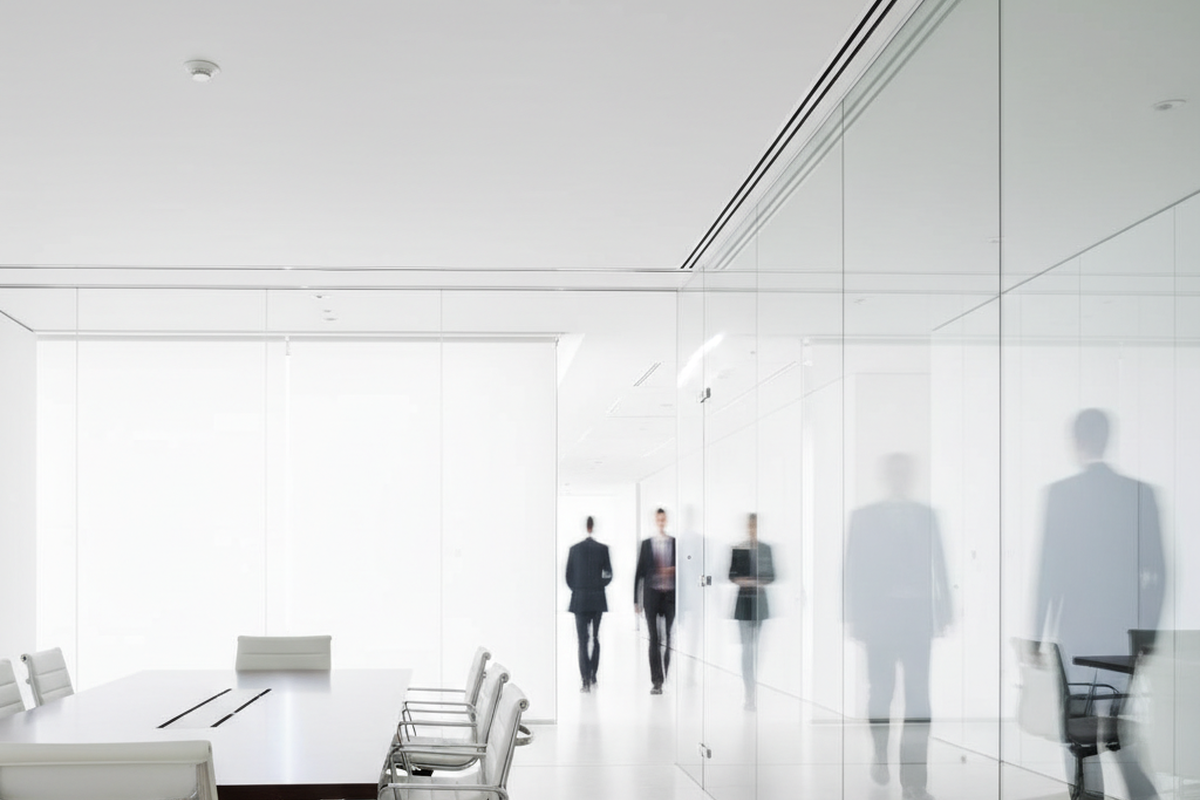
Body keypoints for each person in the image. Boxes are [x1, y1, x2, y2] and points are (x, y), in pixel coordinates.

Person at [1032, 409, 1164, 799]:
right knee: (1117, 720)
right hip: (1123, 632)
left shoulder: (1061, 494)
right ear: (1107, 439)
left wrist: (1037, 635)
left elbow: (1048, 572)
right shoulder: (1138, 493)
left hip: (1075, 632)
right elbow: (1157, 571)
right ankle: (1141, 793)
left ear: (1076, 443)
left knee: (1080, 727)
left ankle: (1091, 797)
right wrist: (1148, 633)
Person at [845, 453, 952, 800]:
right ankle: (880, 752)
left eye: (906, 472)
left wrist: (944, 609)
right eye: (896, 471)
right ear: (886, 476)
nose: (901, 477)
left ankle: (915, 780)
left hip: (917, 621)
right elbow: (852, 570)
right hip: (879, 622)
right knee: (881, 693)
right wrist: (854, 617)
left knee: (919, 699)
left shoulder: (927, 516)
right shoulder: (864, 518)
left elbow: (940, 565)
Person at [729, 512, 774, 711]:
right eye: (750, 526)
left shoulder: (765, 549)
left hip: (760, 603)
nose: (752, 529)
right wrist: (745, 581)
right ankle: (749, 691)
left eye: (755, 526)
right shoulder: (739, 548)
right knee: (747, 649)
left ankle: (752, 686)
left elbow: (772, 575)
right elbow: (731, 575)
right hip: (744, 603)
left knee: (754, 649)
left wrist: (759, 582)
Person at [565, 516, 612, 693]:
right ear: (593, 527)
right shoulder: (603, 549)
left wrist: (579, 589)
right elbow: (609, 574)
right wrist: (598, 586)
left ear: (586, 527)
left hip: (580, 599)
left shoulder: (574, 549)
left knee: (582, 640)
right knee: (595, 638)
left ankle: (585, 679)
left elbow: (568, 576)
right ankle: (593, 675)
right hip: (597, 598)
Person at [634, 508, 675, 695]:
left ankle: (666, 673)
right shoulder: (646, 544)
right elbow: (639, 573)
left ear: (666, 520)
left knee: (667, 637)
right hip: (651, 597)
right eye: (658, 519)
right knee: (654, 638)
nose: (661, 522)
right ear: (655, 520)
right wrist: (636, 600)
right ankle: (657, 681)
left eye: (663, 519)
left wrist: (672, 570)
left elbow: (682, 570)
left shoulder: (674, 543)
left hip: (669, 597)